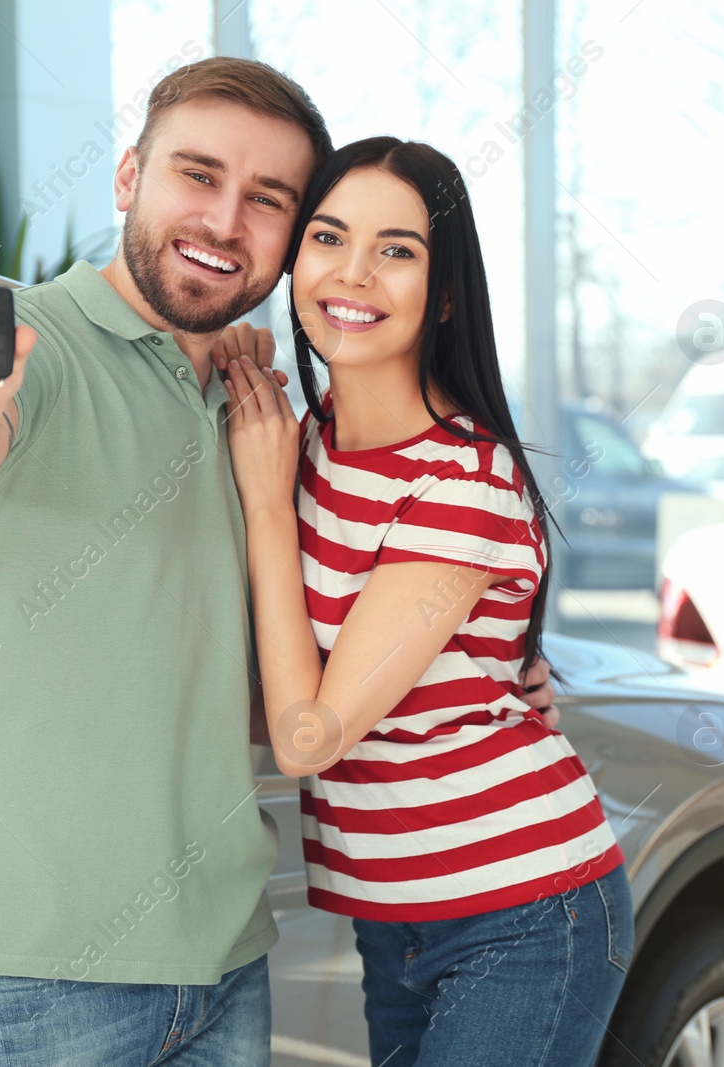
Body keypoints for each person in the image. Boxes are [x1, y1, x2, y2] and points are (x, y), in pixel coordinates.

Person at [0, 61, 560, 1065]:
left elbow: (251, 694)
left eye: (268, 200)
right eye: (196, 175)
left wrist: (470, 680)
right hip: (19, 981)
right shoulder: (35, 348)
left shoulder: (263, 416)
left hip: (223, 968)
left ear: (291, 239)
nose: (225, 218)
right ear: (126, 178)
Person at [217, 136, 632, 1067]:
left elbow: (306, 737)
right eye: (328, 237)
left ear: (444, 292)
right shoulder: (309, 440)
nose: (353, 273)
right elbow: (284, 690)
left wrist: (262, 499)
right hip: (394, 912)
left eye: (396, 250)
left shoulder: (460, 484)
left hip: (525, 908)